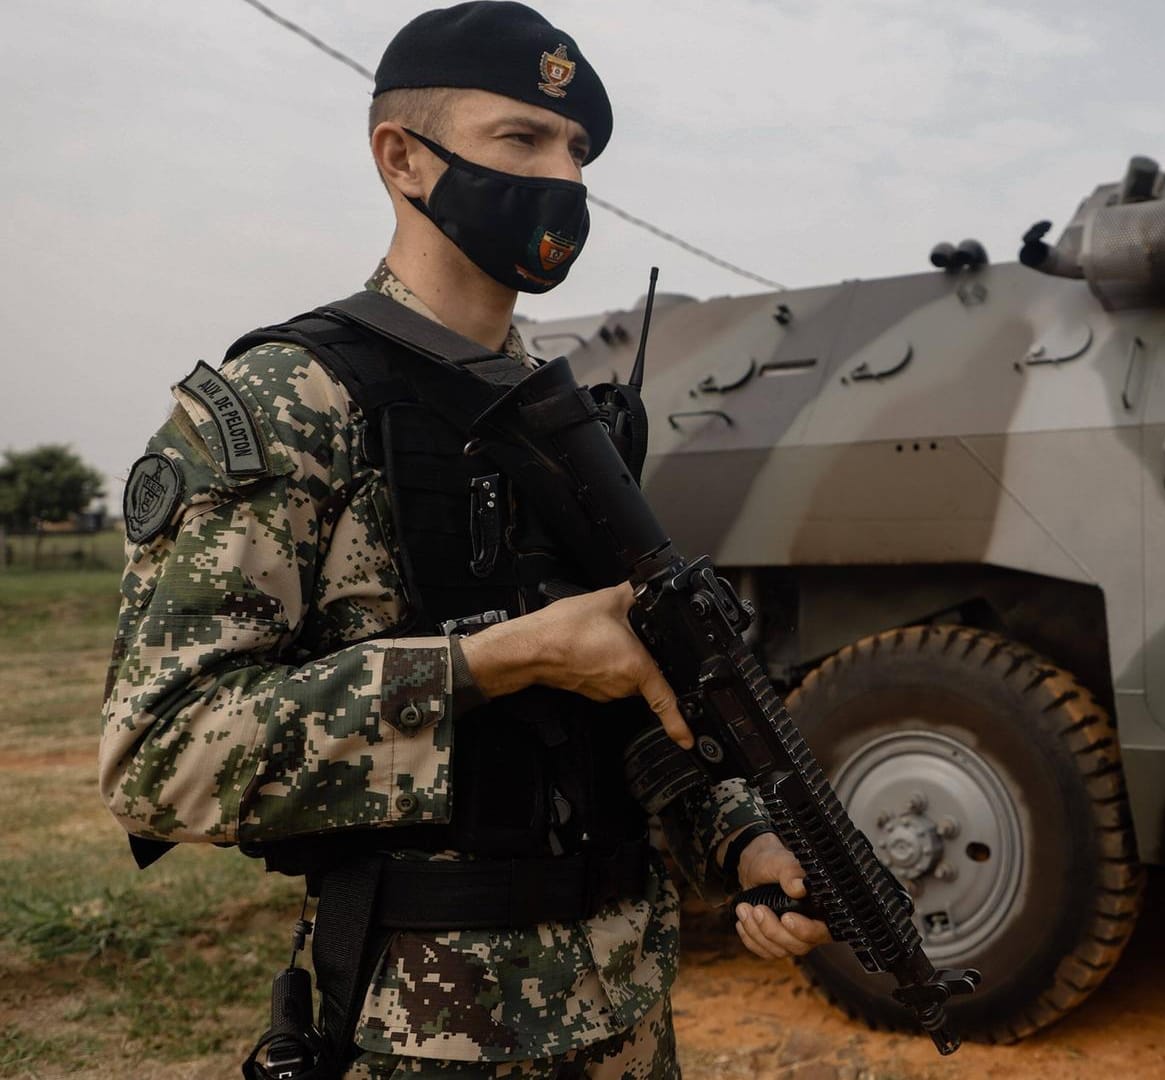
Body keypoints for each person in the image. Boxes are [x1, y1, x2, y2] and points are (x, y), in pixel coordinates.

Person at [97, 4, 829, 1076]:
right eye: (521, 141)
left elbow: (634, 710)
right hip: (427, 1031)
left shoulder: (570, 422)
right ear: (404, 159)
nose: (565, 180)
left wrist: (741, 839)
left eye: (578, 150)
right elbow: (160, 757)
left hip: (628, 1018)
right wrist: (503, 658)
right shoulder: (288, 402)